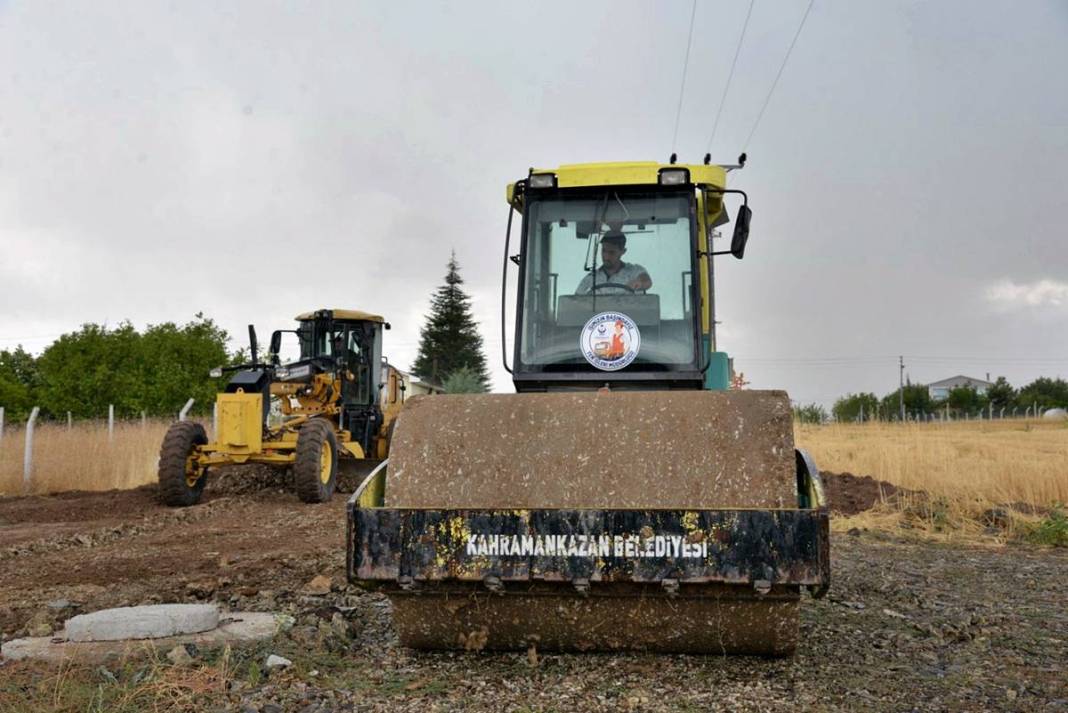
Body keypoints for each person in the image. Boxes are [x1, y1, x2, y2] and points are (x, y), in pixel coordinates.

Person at [574, 232, 653, 294]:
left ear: (623, 251)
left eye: (612, 252)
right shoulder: (591, 278)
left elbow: (647, 281)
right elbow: (575, 303)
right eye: (603, 251)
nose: (606, 256)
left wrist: (639, 282)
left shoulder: (634, 271)